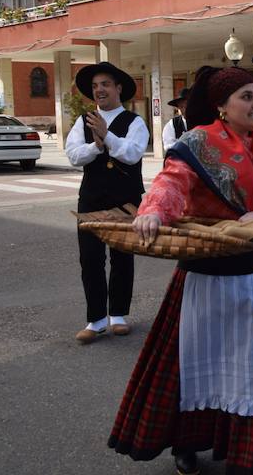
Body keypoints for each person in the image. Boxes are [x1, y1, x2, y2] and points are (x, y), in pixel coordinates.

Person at [111, 67, 253, 475]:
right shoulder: (197, 142)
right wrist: (153, 212)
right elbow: (171, 182)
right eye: (246, 97)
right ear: (222, 105)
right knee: (197, 364)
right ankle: (187, 442)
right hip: (208, 279)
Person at [65, 61, 149, 344]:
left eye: (105, 84)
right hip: (91, 197)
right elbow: (73, 155)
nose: (99, 90)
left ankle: (118, 315)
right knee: (90, 258)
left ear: (118, 88)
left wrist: (107, 135)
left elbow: (132, 154)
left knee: (122, 256)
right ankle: (96, 320)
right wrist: (96, 145)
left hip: (124, 199)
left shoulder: (135, 122)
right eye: (95, 86)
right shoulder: (84, 121)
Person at [162, 87, 190, 152]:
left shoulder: (202, 122)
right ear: (178, 108)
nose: (185, 110)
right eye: (181, 107)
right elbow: (168, 146)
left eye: (187, 106)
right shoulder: (172, 124)